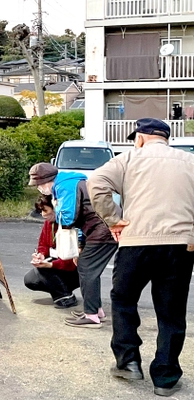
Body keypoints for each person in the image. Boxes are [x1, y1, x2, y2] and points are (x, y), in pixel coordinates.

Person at [87, 118, 194, 397]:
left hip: (136, 241)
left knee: (124, 300)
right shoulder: (188, 160)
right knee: (171, 312)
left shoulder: (129, 158)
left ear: (141, 137)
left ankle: (129, 362)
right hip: (179, 245)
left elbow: (95, 181)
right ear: (166, 138)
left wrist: (113, 220)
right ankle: (166, 378)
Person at [28, 162, 117, 329]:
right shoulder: (75, 181)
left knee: (86, 268)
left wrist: (58, 211)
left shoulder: (64, 186)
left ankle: (91, 316)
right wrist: (81, 244)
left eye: (39, 185)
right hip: (102, 229)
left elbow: (69, 216)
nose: (39, 188)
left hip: (102, 231)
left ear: (47, 180)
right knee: (87, 268)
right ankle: (96, 311)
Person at [24, 195, 80, 308]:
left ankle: (66, 297)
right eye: (41, 211)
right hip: (57, 262)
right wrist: (40, 255)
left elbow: (69, 260)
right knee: (30, 280)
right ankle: (60, 289)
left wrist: (49, 264)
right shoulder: (48, 223)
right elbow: (43, 244)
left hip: (73, 268)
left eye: (45, 210)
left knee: (43, 269)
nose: (43, 215)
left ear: (55, 208)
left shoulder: (68, 225)